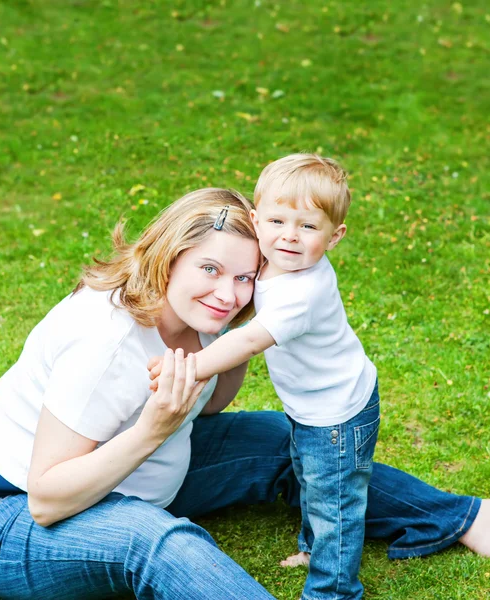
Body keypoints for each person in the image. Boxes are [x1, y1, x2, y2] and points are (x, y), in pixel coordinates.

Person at [0, 188, 490, 600]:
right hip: (0, 514)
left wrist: (233, 337)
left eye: (245, 277)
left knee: (282, 442)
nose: (229, 293)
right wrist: (153, 430)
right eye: (210, 269)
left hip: (136, 475)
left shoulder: (205, 310)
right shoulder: (105, 344)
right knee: (151, 541)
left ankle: (476, 520)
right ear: (169, 257)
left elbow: (207, 407)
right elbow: (47, 499)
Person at [151, 154, 375, 600]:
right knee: (310, 479)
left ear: (335, 236)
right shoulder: (272, 261)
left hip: (337, 414)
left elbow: (249, 340)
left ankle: (334, 590)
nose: (289, 236)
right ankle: (313, 548)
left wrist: (190, 366)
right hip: (309, 405)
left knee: (335, 504)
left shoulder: (303, 291)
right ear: (256, 221)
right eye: (277, 220)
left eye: (308, 227)